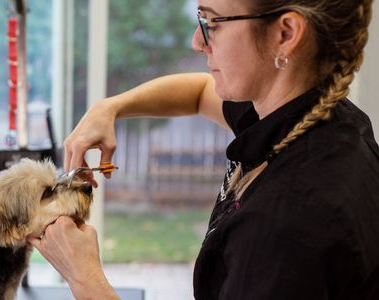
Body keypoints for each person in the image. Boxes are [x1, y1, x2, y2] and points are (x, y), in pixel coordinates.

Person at [27, 0, 379, 298]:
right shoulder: (317, 116)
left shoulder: (288, 227)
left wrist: (84, 278)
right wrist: (110, 108)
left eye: (213, 22)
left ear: (285, 33)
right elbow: (198, 93)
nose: (198, 41)